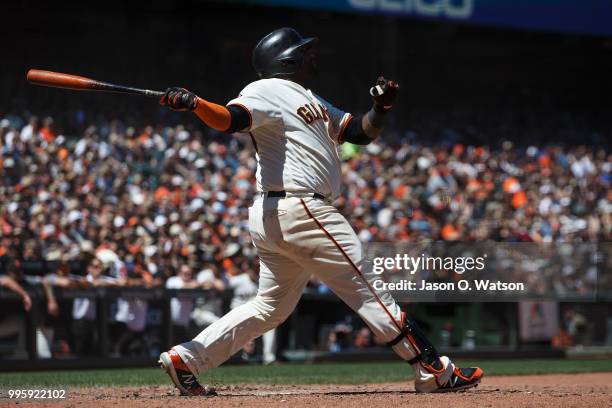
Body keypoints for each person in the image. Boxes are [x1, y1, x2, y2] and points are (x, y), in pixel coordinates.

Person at [158, 27, 483, 395]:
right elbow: (231, 120)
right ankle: (433, 369)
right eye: (305, 50)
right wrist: (196, 104)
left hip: (278, 213)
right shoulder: (265, 89)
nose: (314, 55)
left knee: (271, 307)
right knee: (366, 288)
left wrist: (381, 107)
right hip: (301, 207)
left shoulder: (309, 97)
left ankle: (188, 357)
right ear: (287, 60)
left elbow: (358, 132)